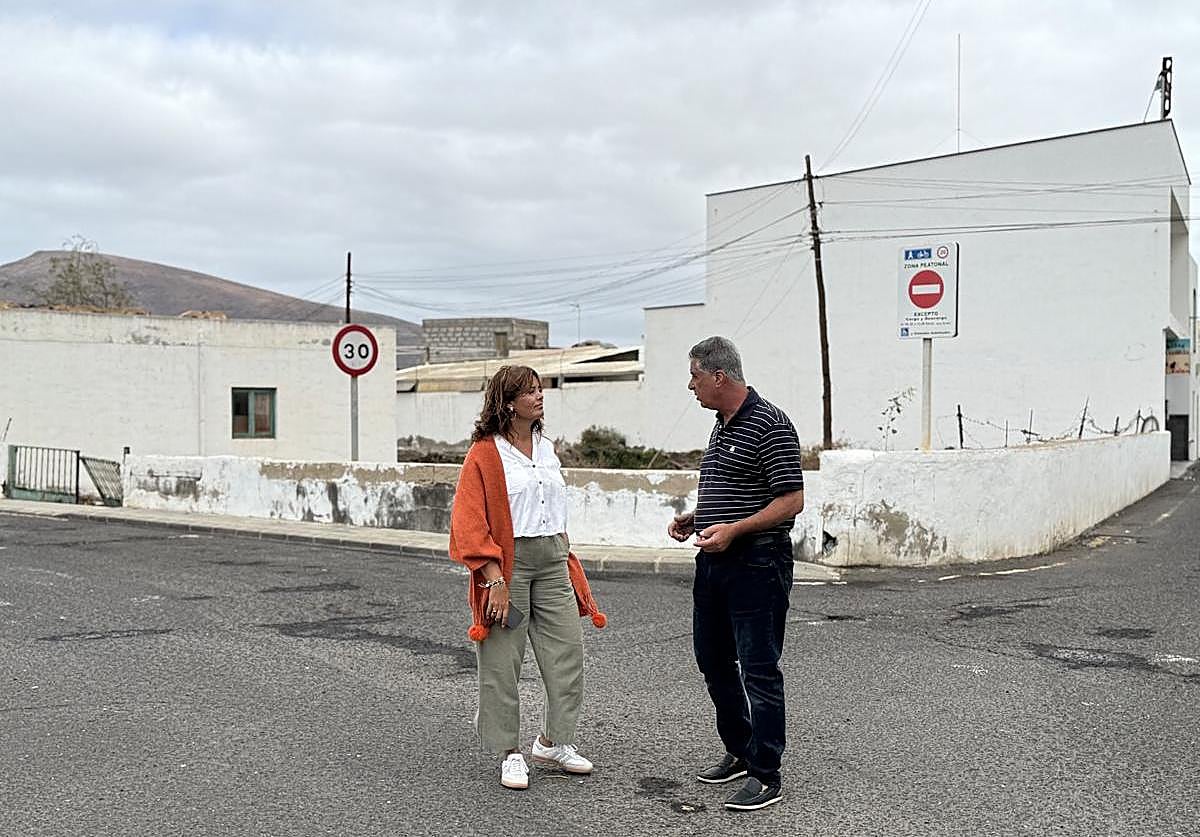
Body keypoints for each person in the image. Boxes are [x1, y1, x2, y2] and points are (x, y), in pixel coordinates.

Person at [449, 364, 606, 791]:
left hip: (553, 560)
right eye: (530, 391)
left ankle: (553, 742)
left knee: (568, 653)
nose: (540, 397)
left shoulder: (546, 446)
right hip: (508, 567)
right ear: (507, 402)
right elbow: (468, 523)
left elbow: (552, 508)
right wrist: (494, 580)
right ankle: (509, 751)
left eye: (541, 390)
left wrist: (563, 550)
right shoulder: (485, 452)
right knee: (502, 662)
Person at [667, 336, 804, 812]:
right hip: (714, 562)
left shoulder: (771, 424)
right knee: (713, 660)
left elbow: (791, 500)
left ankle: (767, 774)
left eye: (695, 376)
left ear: (719, 376)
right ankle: (742, 751)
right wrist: (698, 518)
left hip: (757, 563)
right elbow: (734, 490)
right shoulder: (721, 425)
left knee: (759, 670)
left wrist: (735, 530)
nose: (691, 386)